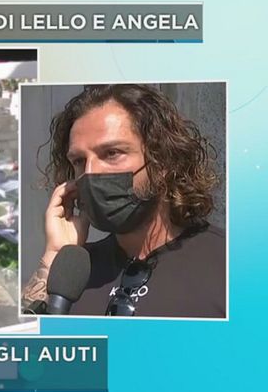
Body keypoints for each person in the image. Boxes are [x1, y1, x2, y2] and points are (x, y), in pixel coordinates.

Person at [21, 84, 225, 318]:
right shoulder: (73, 276)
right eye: (79, 161)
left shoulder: (227, 264)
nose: (90, 172)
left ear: (162, 161)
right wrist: (55, 254)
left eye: (112, 153)